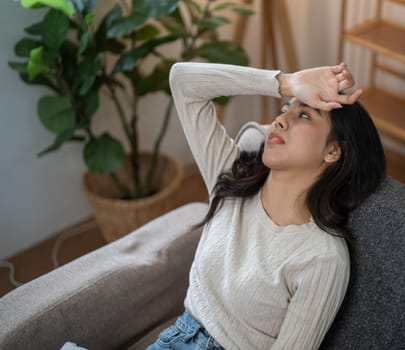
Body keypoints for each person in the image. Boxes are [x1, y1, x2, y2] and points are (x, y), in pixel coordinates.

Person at [147, 62, 385, 350]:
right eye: (284, 110)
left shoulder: (322, 257)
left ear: (333, 151)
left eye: (305, 115)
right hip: (173, 339)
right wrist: (287, 82)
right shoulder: (232, 176)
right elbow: (183, 81)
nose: (280, 121)